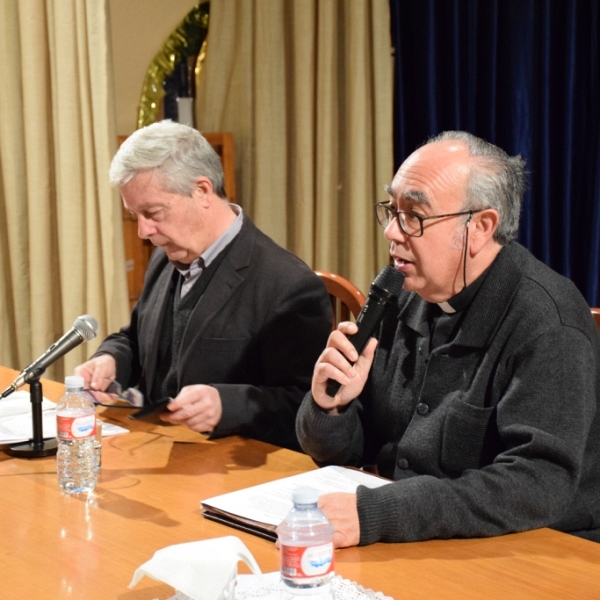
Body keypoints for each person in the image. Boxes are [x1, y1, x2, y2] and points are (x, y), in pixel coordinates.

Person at [296, 131, 600, 546]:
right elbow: (351, 451)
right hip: (424, 539)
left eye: (414, 216)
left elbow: (538, 482)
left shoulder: (548, 320)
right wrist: (332, 408)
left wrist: (380, 513)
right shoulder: (403, 296)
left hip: (534, 551)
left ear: (481, 227)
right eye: (392, 210)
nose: (392, 233)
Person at [75, 120, 332, 451]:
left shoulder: (288, 285)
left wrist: (228, 405)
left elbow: (311, 409)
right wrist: (111, 360)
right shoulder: (165, 256)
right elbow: (137, 339)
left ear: (202, 191)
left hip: (232, 472)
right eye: (134, 215)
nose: (143, 231)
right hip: (160, 452)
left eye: (153, 212)